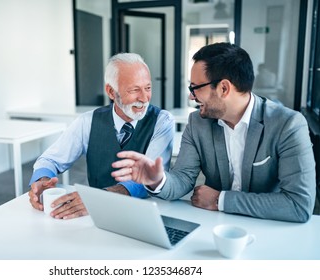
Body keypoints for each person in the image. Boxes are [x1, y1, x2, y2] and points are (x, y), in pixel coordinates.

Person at [111, 42, 316, 223]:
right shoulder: (198, 122)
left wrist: (221, 200)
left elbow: (298, 204)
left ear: (224, 88)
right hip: (214, 227)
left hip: (270, 229)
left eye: (195, 88)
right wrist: (157, 180)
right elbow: (183, 178)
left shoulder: (288, 124)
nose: (191, 97)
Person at [28, 52, 174, 219]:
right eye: (134, 90)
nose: (144, 98)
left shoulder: (162, 121)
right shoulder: (87, 121)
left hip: (145, 213)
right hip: (95, 216)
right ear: (111, 92)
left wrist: (99, 199)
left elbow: (152, 177)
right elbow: (49, 160)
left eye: (147, 88)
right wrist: (42, 181)